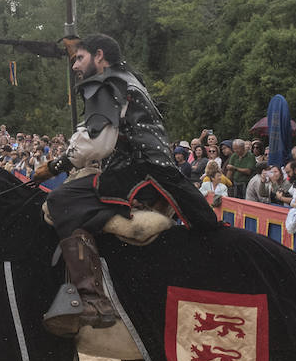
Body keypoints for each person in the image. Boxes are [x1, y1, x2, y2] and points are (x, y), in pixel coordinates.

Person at [36, 34, 217, 337]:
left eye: (79, 59)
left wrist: (56, 166)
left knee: (61, 201)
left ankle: (94, 300)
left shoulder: (105, 83)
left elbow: (97, 144)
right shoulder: (129, 79)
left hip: (136, 174)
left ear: (99, 55)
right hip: (160, 174)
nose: (75, 67)